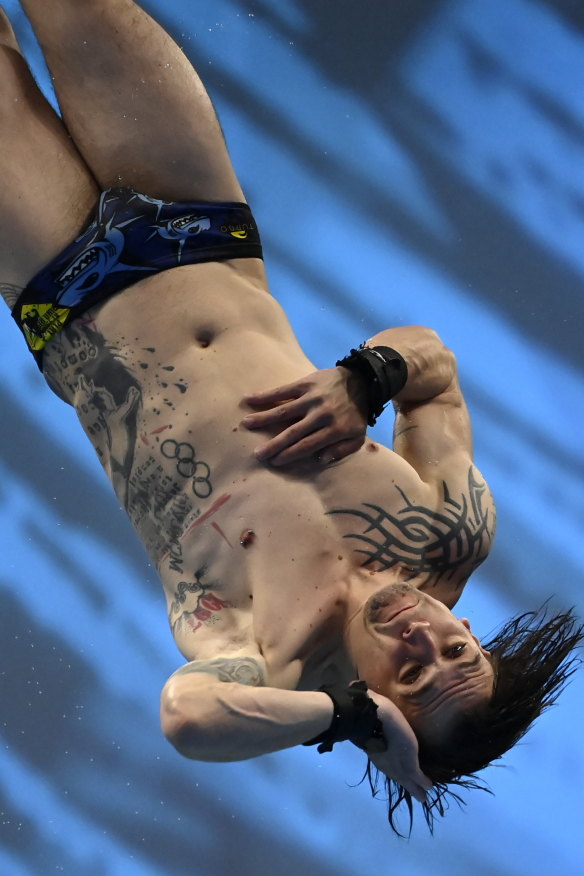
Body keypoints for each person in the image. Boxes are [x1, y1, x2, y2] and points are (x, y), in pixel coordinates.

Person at [1, 0, 581, 835]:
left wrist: (343, 719)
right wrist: (367, 376)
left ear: (379, 704)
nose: (426, 641)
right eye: (459, 649)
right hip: (195, 218)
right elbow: (437, 371)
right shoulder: (452, 532)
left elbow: (184, 719)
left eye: (413, 676)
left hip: (59, 284)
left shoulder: (265, 656)